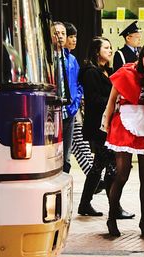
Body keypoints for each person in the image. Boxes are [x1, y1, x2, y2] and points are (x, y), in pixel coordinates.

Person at [103, 41, 144, 237]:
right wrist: (107, 124)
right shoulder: (126, 72)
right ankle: (112, 217)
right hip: (125, 122)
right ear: (140, 58)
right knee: (122, 174)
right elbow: (112, 100)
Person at [77, 37, 134, 220]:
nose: (110, 51)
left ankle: (85, 203)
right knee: (110, 166)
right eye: (106, 48)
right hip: (98, 126)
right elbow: (94, 100)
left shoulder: (104, 71)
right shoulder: (91, 72)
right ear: (96, 51)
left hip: (104, 126)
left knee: (99, 166)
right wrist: (114, 102)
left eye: (110, 48)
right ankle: (114, 207)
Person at [52, 21, 83, 174]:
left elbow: (78, 84)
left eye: (63, 33)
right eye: (56, 33)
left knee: (67, 154)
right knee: (51, 153)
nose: (60, 36)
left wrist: (75, 103)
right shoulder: (47, 59)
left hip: (69, 111)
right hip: (51, 111)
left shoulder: (71, 59)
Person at [63, 22, 94, 176]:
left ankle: (92, 175)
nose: (74, 40)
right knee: (73, 145)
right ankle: (92, 175)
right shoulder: (59, 58)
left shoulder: (73, 59)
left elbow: (78, 82)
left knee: (80, 143)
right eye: (71, 36)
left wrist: (78, 98)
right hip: (64, 108)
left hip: (73, 107)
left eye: (75, 36)